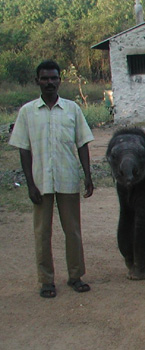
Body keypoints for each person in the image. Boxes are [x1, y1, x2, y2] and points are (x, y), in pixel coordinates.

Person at [9, 60, 94, 298]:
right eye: (44, 78)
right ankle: (46, 280)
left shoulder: (72, 109)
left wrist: (87, 175)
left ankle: (76, 276)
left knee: (73, 231)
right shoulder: (27, 112)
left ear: (59, 80)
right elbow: (24, 149)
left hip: (68, 177)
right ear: (37, 81)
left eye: (53, 78)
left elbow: (82, 143)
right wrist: (30, 183)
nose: (49, 82)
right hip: (40, 181)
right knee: (42, 232)